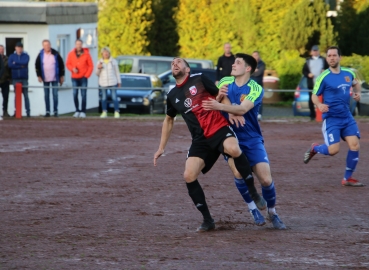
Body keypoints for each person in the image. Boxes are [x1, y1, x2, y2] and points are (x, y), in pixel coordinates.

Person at [153, 57, 264, 232]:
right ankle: (207, 220)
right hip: (200, 140)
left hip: (219, 128)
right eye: (172, 63)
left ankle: (254, 193)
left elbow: (220, 95)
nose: (175, 64)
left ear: (187, 69)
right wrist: (161, 147)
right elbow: (168, 120)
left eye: (179, 62)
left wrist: (231, 111)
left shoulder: (199, 79)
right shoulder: (172, 95)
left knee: (234, 149)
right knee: (188, 175)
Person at [203, 53, 286, 229]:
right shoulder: (225, 80)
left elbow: (243, 108)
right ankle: (252, 209)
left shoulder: (255, 88)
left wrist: (222, 107)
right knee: (239, 173)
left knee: (265, 179)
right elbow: (217, 94)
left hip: (252, 139)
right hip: (230, 138)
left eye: (238, 63)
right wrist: (220, 99)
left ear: (248, 68)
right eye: (234, 62)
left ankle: (272, 212)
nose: (233, 65)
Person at [303, 46, 364, 187]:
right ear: (327, 58)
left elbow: (356, 84)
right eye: (329, 56)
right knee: (333, 150)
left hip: (347, 117)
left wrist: (357, 93)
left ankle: (347, 178)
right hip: (332, 119)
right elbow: (314, 95)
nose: (331, 58)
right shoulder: (323, 77)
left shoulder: (348, 73)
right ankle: (315, 148)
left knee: (355, 145)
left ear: (339, 57)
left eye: (334, 55)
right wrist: (319, 105)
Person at [35, 40, 65, 117]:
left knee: (55, 95)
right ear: (43, 46)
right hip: (45, 78)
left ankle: (55, 111)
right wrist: (39, 76)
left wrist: (62, 76)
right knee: (46, 95)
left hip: (55, 78)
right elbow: (37, 65)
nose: (47, 46)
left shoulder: (56, 53)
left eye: (48, 45)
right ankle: (47, 111)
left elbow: (61, 64)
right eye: (45, 45)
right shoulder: (40, 54)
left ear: (50, 45)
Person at [66, 39, 93, 118]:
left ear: (82, 45)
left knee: (83, 94)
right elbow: (68, 64)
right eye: (77, 44)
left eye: (80, 44)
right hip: (74, 77)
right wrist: (72, 69)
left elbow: (91, 66)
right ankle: (77, 110)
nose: (79, 46)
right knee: (75, 94)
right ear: (75, 45)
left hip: (83, 77)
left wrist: (86, 75)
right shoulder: (71, 54)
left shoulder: (86, 54)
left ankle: (83, 111)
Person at [302, 45, 329, 121]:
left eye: (316, 50)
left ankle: (323, 115)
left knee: (324, 100)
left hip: (322, 84)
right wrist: (308, 74)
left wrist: (325, 71)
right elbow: (304, 71)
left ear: (319, 51)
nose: (315, 52)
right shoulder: (308, 61)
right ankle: (312, 116)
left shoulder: (323, 60)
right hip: (312, 84)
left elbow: (329, 70)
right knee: (311, 100)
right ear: (311, 52)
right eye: (314, 50)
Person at [96, 47, 121, 118]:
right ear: (102, 54)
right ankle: (104, 112)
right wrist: (99, 68)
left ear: (109, 53)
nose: (106, 54)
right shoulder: (99, 62)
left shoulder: (114, 61)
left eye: (107, 52)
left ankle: (116, 112)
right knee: (103, 98)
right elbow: (97, 74)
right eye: (104, 52)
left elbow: (117, 72)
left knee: (114, 97)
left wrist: (119, 82)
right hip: (103, 83)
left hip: (113, 82)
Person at [8, 42, 30, 117]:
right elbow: (10, 65)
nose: (19, 49)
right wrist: (21, 66)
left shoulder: (26, 55)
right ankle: (16, 112)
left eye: (20, 47)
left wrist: (15, 63)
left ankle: (28, 112)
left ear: (22, 48)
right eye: (18, 47)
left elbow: (25, 62)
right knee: (16, 96)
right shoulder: (12, 56)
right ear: (15, 48)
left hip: (24, 78)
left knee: (26, 95)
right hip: (15, 78)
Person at [250, 51, 265, 121]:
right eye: (253, 55)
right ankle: (251, 114)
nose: (255, 57)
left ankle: (259, 114)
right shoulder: (249, 64)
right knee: (249, 99)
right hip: (250, 85)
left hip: (259, 85)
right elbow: (247, 73)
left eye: (256, 55)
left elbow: (258, 73)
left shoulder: (262, 64)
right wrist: (254, 71)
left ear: (258, 56)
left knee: (259, 100)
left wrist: (252, 72)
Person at [0, 45, 10, 118]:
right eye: (0, 49)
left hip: (5, 80)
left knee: (6, 97)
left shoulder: (7, 59)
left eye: (2, 49)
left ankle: (5, 111)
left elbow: (10, 69)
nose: (1, 51)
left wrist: (9, 78)